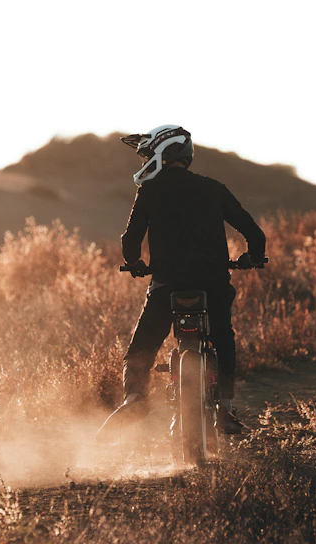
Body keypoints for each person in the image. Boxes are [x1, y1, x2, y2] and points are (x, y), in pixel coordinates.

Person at [96, 125, 266, 442]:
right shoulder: (214, 189)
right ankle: (225, 406)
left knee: (141, 348)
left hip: (166, 287)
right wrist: (253, 257)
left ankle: (134, 398)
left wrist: (134, 264)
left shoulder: (148, 192)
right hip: (213, 284)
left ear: (163, 151)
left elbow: (130, 240)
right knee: (223, 336)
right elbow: (254, 233)